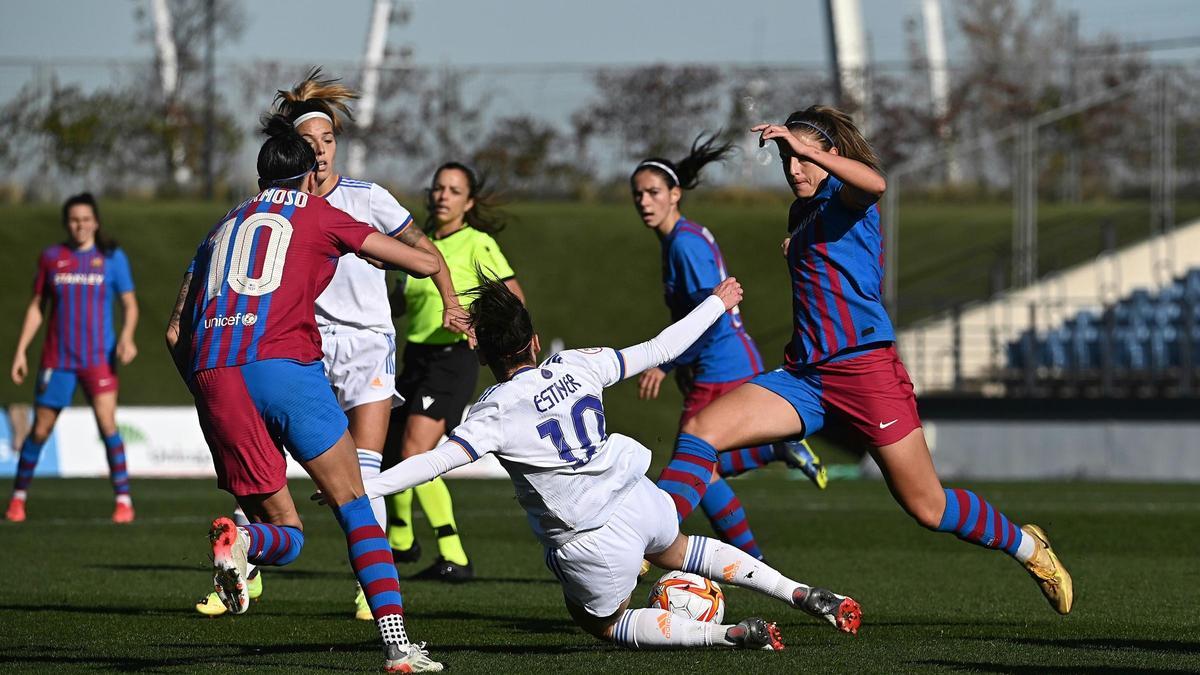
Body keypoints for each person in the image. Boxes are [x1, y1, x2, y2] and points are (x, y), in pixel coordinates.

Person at [654, 105, 1074, 615]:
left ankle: (1029, 547)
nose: (793, 169)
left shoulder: (846, 196)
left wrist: (812, 152)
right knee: (701, 430)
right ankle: (646, 539)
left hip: (864, 370)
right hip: (805, 376)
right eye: (786, 158)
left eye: (803, 157)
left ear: (830, 155)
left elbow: (875, 185)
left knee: (928, 506)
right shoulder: (802, 212)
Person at [322, 273, 862, 651]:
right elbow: (658, 347)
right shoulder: (577, 364)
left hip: (590, 538)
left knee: (598, 622)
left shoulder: (492, 411)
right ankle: (796, 590)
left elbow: (431, 463)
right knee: (680, 548)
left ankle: (729, 635)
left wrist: (362, 489)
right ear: (533, 341)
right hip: (641, 500)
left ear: (483, 355)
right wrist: (717, 303)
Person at [165, 116, 444, 672]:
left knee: (285, 534)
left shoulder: (220, 227)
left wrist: (205, 388)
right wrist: (378, 252)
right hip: (283, 367)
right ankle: (397, 645)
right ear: (306, 180)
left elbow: (176, 331)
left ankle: (244, 543)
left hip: (214, 376)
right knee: (354, 504)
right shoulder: (319, 212)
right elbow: (425, 260)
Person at [631, 133, 827, 560]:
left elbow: (711, 311)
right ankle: (775, 450)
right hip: (721, 359)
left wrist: (664, 365)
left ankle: (735, 560)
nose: (644, 201)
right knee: (706, 463)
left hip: (723, 361)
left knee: (694, 461)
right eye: (638, 194)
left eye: (653, 192)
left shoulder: (683, 243)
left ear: (675, 194)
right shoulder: (679, 239)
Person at [383, 162, 523, 581]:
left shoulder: (477, 243)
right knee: (389, 451)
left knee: (416, 452)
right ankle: (402, 542)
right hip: (415, 357)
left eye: (454, 190)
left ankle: (454, 555)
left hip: (452, 359)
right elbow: (401, 306)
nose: (443, 195)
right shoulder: (415, 245)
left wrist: (476, 325)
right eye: (439, 188)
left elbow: (514, 301)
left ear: (469, 202)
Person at [7, 193, 139, 524]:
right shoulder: (52, 258)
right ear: (67, 223)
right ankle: (18, 499)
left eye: (85, 219)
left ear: (95, 221)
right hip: (58, 359)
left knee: (108, 425)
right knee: (40, 429)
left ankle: (123, 501)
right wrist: (22, 349)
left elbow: (130, 304)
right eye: (73, 219)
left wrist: (126, 337)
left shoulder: (112, 258)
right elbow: (38, 307)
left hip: (98, 358)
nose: (79, 225)